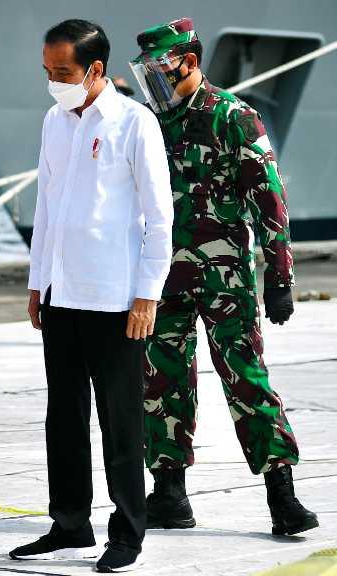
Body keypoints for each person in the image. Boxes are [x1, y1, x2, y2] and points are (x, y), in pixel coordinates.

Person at [130, 18, 317, 536]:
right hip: (161, 277)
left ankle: (282, 493)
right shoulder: (149, 122)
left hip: (224, 278)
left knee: (247, 381)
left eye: (160, 69)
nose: (154, 80)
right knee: (160, 381)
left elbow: (269, 199)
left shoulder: (234, 117)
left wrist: (278, 276)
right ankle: (168, 492)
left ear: (189, 62)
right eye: (147, 71)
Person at [10, 20, 173, 573]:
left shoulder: (135, 123)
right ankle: (69, 523)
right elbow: (48, 208)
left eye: (63, 73)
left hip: (116, 299)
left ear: (96, 70)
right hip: (62, 293)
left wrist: (147, 295)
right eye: (47, 71)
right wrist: (38, 282)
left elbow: (159, 216)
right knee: (65, 414)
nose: (53, 82)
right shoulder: (54, 122)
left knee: (121, 419)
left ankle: (127, 531)